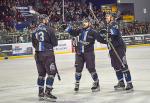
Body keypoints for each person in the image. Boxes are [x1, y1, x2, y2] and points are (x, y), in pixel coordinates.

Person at [98, 13, 133, 91]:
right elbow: (105, 40)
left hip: (119, 48)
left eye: (108, 16)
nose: (106, 18)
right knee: (116, 66)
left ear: (112, 18)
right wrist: (100, 36)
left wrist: (106, 34)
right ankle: (121, 83)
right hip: (112, 49)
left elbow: (114, 34)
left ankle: (129, 83)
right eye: (105, 17)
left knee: (123, 65)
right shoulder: (107, 27)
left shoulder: (114, 24)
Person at [65, 18, 100, 92]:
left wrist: (103, 34)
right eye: (83, 22)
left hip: (89, 53)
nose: (84, 23)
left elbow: (100, 38)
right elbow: (72, 32)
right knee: (78, 69)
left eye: (86, 22)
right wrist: (67, 28)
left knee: (91, 69)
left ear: (89, 23)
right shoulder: (80, 30)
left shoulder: (93, 32)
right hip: (79, 53)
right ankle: (77, 83)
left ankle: (96, 82)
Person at [32, 14, 58, 101]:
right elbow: (55, 43)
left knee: (41, 74)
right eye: (46, 19)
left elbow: (34, 44)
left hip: (38, 55)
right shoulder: (49, 29)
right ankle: (48, 92)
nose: (47, 20)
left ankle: (40, 93)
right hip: (48, 54)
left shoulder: (34, 30)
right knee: (51, 73)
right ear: (43, 20)